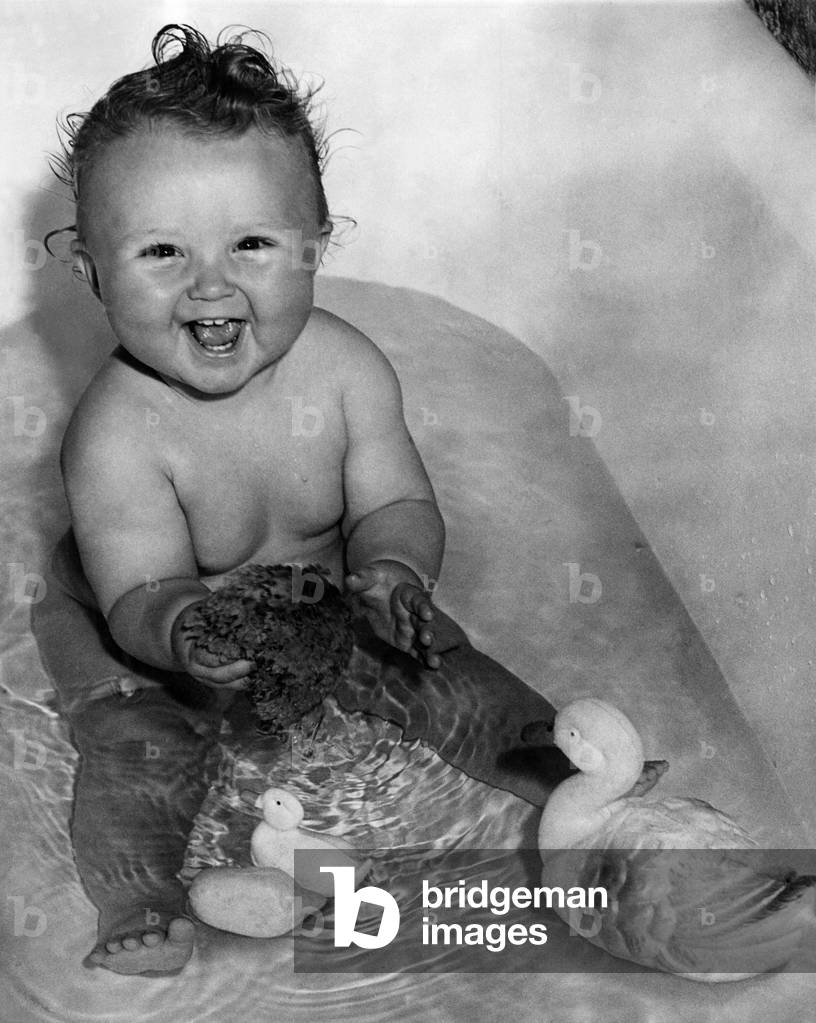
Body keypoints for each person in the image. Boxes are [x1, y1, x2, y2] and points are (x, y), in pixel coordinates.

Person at [40, 23, 454, 976]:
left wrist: (393, 569)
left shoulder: (349, 372)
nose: (211, 283)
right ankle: (139, 895)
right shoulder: (116, 432)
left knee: (447, 662)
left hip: (312, 610)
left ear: (316, 247)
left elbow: (397, 500)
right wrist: (185, 628)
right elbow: (140, 593)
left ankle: (551, 777)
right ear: (90, 272)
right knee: (137, 745)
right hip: (130, 632)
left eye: (253, 243)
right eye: (161, 253)